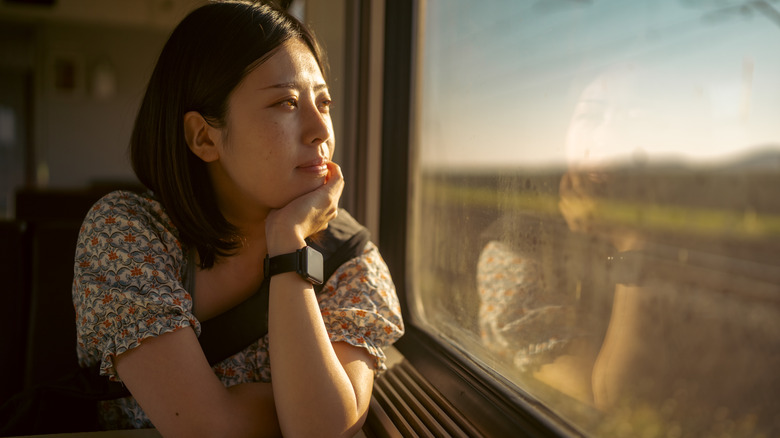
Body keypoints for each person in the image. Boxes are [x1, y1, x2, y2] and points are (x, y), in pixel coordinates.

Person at [71, 1, 404, 436]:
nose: (321, 129)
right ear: (204, 137)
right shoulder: (127, 233)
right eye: (286, 102)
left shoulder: (349, 258)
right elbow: (209, 429)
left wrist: (288, 243)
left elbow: (323, 431)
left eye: (323, 102)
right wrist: (291, 407)